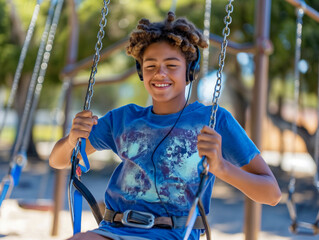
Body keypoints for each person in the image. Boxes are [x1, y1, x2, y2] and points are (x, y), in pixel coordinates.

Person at [49, 11, 281, 240]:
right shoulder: (123, 119)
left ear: (189, 72)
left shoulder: (213, 120)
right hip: (114, 230)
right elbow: (58, 160)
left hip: (174, 234)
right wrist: (72, 140)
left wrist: (221, 168)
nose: (160, 73)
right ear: (141, 72)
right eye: (150, 66)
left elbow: (271, 193)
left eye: (171, 65)